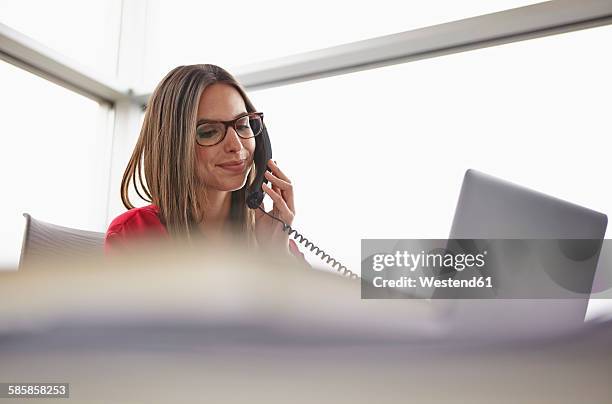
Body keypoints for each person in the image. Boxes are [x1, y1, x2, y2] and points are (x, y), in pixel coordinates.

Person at [104, 64, 307, 264]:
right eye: (209, 132)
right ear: (173, 144)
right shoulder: (134, 234)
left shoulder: (274, 237)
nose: (236, 146)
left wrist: (276, 255)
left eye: (243, 125)